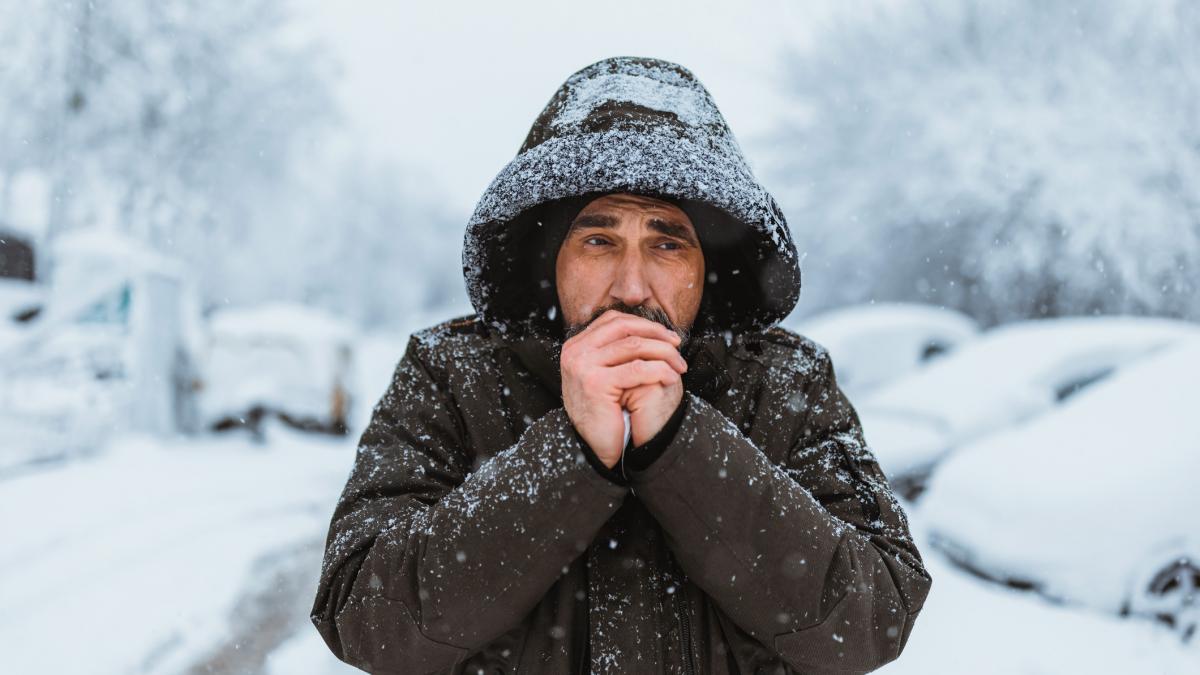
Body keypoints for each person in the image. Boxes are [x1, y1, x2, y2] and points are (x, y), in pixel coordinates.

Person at [310, 55, 931, 674]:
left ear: (706, 272)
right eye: (599, 241)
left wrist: (682, 444)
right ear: (550, 261)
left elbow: (873, 620)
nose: (632, 288)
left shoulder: (787, 385)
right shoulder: (452, 375)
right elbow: (367, 621)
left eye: (667, 243)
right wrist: (569, 454)